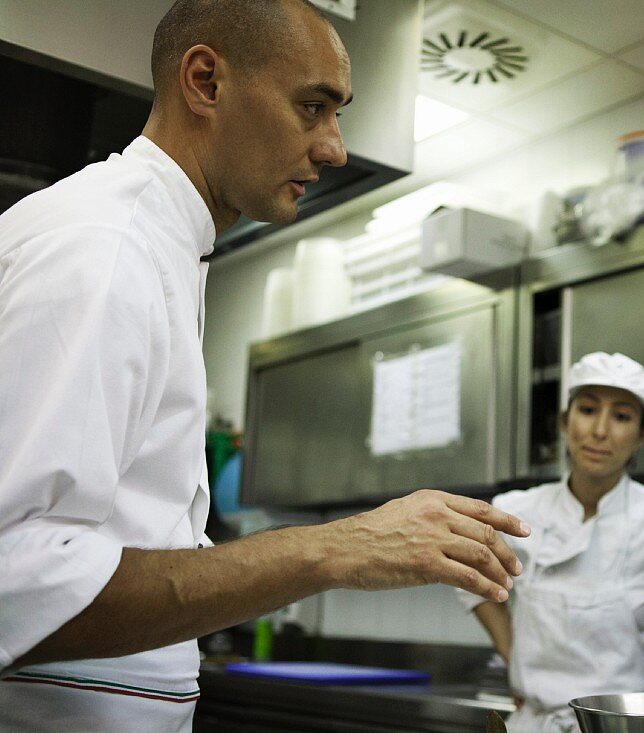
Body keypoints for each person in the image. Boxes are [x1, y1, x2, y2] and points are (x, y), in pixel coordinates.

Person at [0, 1, 527, 730]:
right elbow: (17, 577)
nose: (334, 147)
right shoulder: (106, 249)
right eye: (312, 106)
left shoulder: (160, 248)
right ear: (206, 83)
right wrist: (336, 547)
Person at [458, 352, 644, 733]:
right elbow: (466, 575)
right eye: (588, 409)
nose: (600, 431)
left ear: (642, 435)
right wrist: (513, 655)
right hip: (532, 723)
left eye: (622, 416)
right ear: (565, 421)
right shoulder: (516, 511)